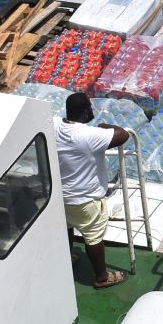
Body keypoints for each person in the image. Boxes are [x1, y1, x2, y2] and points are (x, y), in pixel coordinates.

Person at [54, 92, 131, 289]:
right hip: (86, 199)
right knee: (93, 236)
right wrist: (105, 126)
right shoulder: (89, 135)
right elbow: (123, 135)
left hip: (60, 196)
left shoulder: (54, 125)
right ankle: (102, 277)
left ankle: (65, 259)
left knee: (67, 226)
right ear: (86, 111)